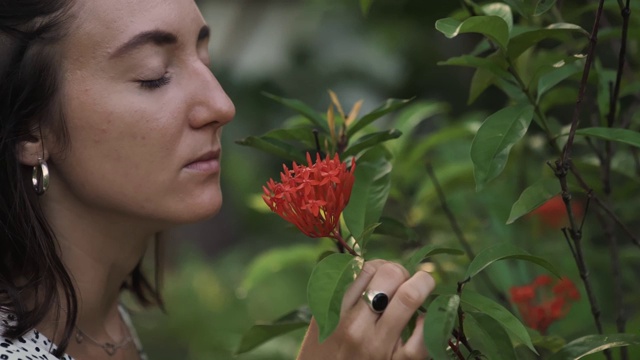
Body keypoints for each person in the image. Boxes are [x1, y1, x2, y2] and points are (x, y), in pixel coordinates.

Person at [0, 0, 436, 359]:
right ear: (29, 131)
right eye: (154, 75)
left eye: (204, 58)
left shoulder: (100, 321)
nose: (222, 105)